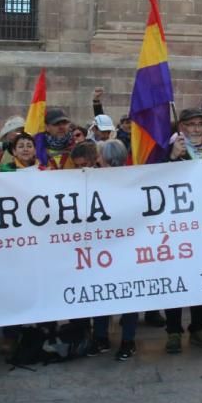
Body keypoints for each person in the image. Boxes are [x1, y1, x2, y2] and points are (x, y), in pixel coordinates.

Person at [164, 108, 202, 353]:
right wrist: (172, 159)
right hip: (178, 226)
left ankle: (199, 328)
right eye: (191, 124)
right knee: (176, 279)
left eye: (200, 124)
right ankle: (173, 330)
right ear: (182, 127)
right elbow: (156, 181)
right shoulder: (170, 149)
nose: (196, 129)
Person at [89, 140, 141, 361]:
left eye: (100, 154)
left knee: (127, 293)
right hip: (103, 246)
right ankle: (102, 336)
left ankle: (127, 340)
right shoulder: (90, 177)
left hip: (126, 246)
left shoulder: (131, 178)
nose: (97, 158)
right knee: (101, 291)